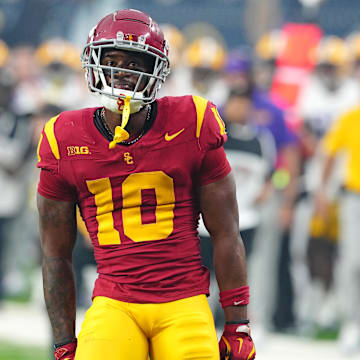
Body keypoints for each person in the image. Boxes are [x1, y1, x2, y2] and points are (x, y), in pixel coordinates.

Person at [36, 9, 255, 360]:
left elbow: (227, 232)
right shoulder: (62, 138)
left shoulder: (194, 122)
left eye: (135, 63)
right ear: (93, 62)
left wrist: (238, 324)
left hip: (183, 299)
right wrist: (63, 342)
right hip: (115, 301)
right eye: (113, 60)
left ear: (156, 71)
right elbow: (55, 254)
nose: (122, 72)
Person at [314, 105, 360, 354]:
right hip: (354, 198)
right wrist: (322, 193)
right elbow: (330, 153)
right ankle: (351, 323)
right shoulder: (351, 118)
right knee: (352, 262)